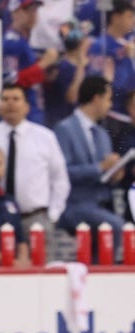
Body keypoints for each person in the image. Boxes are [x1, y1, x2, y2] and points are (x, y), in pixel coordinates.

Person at [0, 83, 70, 260]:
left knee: (41, 275)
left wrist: (52, 215)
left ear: (27, 106)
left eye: (16, 99)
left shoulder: (45, 137)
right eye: (5, 99)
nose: (10, 104)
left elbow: (60, 180)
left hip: (35, 219)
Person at [55, 75, 127, 263]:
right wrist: (100, 167)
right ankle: (104, 275)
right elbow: (63, 172)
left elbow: (103, 173)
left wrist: (114, 174)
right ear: (97, 98)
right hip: (74, 204)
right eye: (108, 99)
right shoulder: (64, 129)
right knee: (114, 226)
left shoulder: (102, 134)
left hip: (102, 202)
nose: (110, 105)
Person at [3, 0, 61, 124]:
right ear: (14, 13)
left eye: (35, 10)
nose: (33, 14)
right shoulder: (12, 42)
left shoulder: (24, 40)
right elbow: (11, 82)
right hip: (21, 117)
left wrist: (46, 75)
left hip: (33, 112)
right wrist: (44, 63)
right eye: (28, 10)